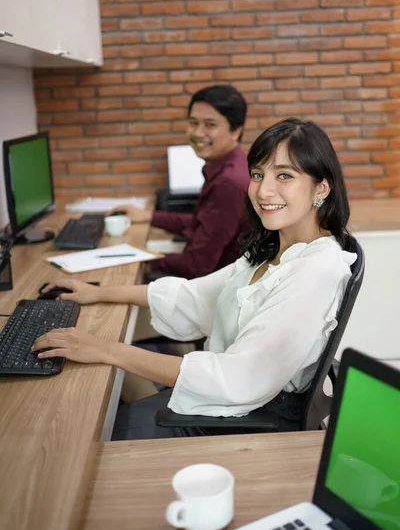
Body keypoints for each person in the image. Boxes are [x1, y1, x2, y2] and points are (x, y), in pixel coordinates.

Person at [33, 118, 358, 440]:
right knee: (101, 389)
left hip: (247, 415)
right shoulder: (275, 246)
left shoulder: (316, 270)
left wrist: (107, 350)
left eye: (284, 175)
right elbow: (196, 295)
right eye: (258, 174)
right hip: (227, 394)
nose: (263, 190)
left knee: (88, 426)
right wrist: (98, 293)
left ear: (321, 188)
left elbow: (238, 377)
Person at [111, 84, 249, 280]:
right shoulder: (233, 166)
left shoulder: (229, 183)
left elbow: (197, 265)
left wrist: (141, 260)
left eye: (210, 125)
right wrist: (148, 216)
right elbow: (201, 222)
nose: (198, 133)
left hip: (212, 289)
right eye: (193, 123)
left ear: (236, 131)